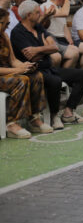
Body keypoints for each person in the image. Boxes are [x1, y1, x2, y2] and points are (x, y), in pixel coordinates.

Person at [11, 0, 83, 129]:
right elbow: (30, 56)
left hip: (49, 67)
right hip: (34, 71)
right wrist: (45, 47)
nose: (40, 15)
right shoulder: (17, 32)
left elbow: (54, 47)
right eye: (38, 12)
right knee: (55, 81)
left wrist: (37, 49)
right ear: (28, 15)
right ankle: (54, 116)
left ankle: (68, 112)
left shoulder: (38, 26)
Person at [0, 8, 52, 138]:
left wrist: (25, 66)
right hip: (3, 75)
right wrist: (18, 70)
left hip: (8, 73)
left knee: (36, 75)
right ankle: (11, 123)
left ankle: (34, 118)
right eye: (4, 24)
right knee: (21, 80)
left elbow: (12, 60)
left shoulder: (5, 36)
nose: (7, 27)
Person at [41, 0, 83, 70]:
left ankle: (80, 76)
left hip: (63, 39)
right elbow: (65, 13)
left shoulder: (60, 6)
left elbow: (64, 26)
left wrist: (70, 39)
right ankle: (65, 79)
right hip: (54, 39)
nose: (67, 0)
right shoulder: (47, 6)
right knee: (74, 52)